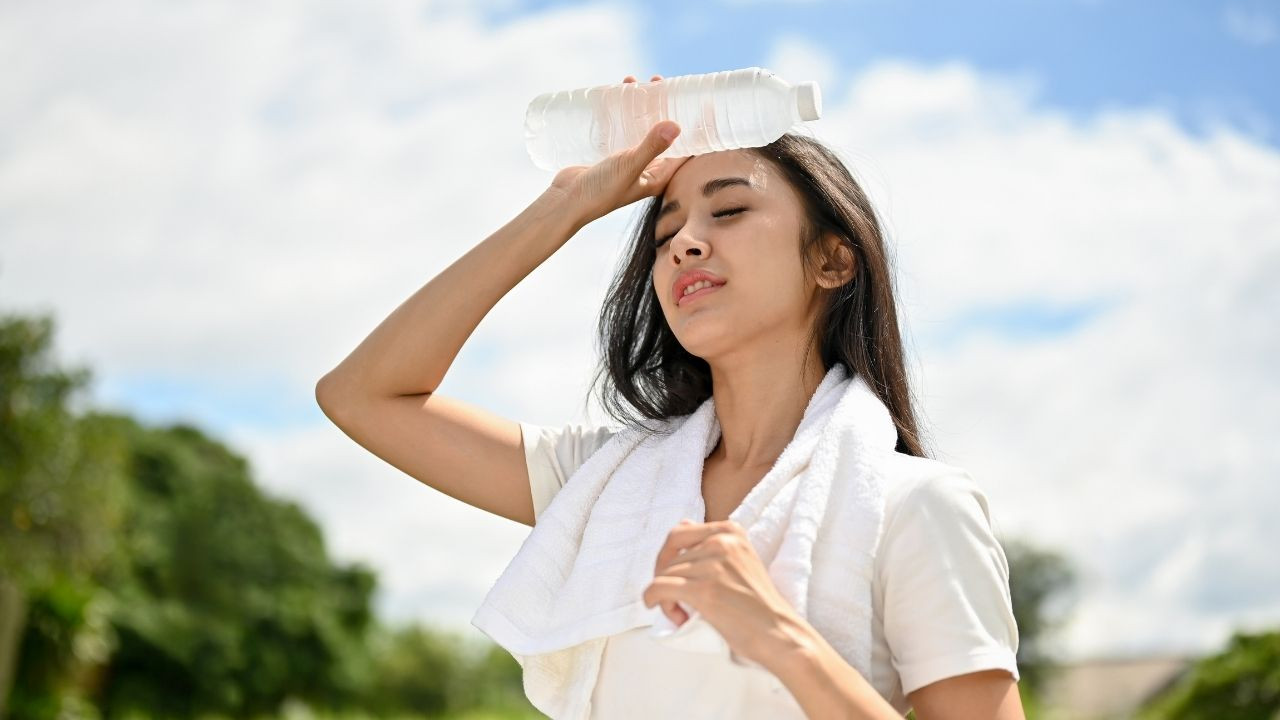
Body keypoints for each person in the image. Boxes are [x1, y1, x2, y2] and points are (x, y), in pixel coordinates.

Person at [316, 73, 1025, 719]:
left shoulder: (917, 507)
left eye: (729, 212)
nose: (684, 240)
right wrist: (564, 207)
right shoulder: (604, 487)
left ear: (832, 259)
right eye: (665, 231)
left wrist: (781, 639)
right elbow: (362, 395)